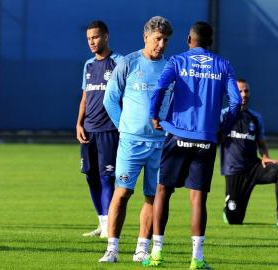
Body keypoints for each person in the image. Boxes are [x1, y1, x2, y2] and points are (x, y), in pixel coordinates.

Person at [143, 21, 242, 270]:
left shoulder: (177, 61)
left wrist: (155, 115)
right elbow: (236, 102)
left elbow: (160, 88)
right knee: (198, 199)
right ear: (211, 41)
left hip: (177, 135)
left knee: (163, 191)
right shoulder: (224, 65)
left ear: (189, 39)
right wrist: (224, 128)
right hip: (206, 139)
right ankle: (196, 258)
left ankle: (156, 254)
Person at [98, 16, 173, 263]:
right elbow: (110, 99)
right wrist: (124, 127)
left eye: (165, 40)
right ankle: (112, 248)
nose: (161, 44)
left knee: (153, 196)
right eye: (157, 39)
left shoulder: (171, 67)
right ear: (146, 37)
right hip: (131, 142)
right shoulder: (128, 63)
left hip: (161, 144)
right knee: (122, 193)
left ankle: (142, 248)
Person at [220, 79, 278, 228]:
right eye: (240, 91)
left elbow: (260, 141)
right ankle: (227, 208)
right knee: (234, 220)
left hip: (253, 168)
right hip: (233, 170)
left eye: (246, 91)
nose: (244, 94)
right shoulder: (224, 116)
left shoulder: (255, 117)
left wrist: (265, 156)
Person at [76, 20, 124, 238]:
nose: (91, 42)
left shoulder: (119, 62)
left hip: (109, 130)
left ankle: (109, 227)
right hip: (88, 130)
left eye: (95, 37)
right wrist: (79, 123)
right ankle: (102, 222)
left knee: (107, 178)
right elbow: (85, 96)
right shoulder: (88, 65)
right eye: (88, 39)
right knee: (90, 177)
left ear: (106, 36)